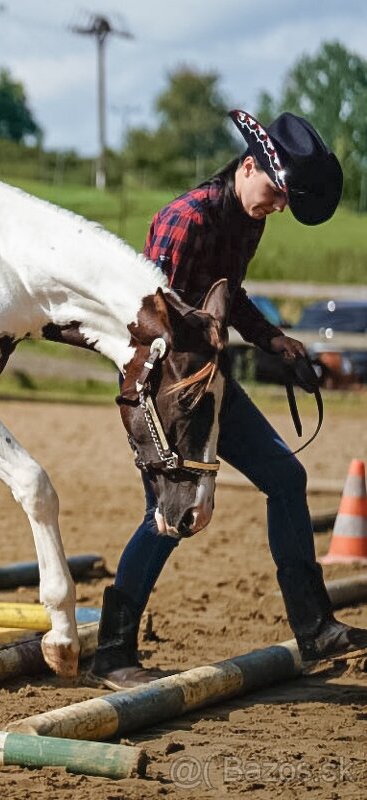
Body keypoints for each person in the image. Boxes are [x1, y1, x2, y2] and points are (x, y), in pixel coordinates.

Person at [88, 109, 367, 689]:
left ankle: (315, 627)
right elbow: (154, 316)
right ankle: (112, 654)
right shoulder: (184, 220)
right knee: (168, 516)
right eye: (276, 192)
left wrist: (272, 339)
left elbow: (231, 296)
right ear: (247, 168)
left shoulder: (247, 221)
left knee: (285, 478)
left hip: (206, 380)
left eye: (285, 199)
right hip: (164, 392)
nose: (279, 206)